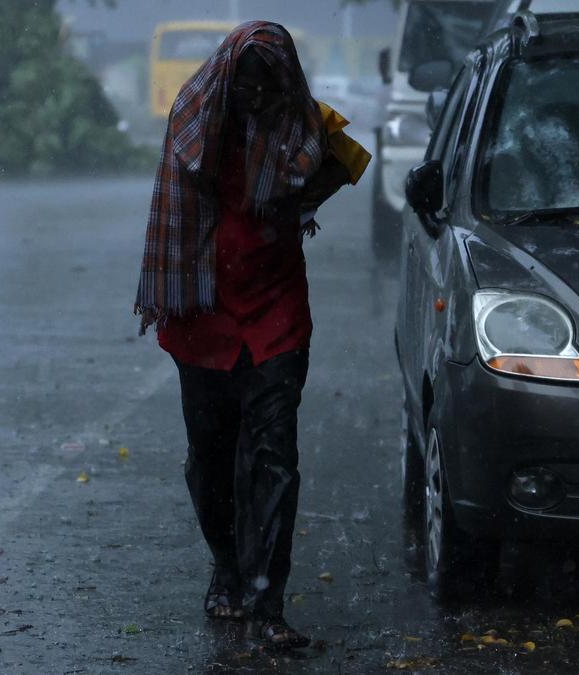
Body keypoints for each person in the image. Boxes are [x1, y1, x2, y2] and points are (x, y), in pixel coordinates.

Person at [134, 21, 369, 650]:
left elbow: (335, 171)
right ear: (228, 82)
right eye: (247, 87)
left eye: (269, 88)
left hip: (276, 314)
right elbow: (175, 204)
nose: (257, 100)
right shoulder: (194, 120)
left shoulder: (305, 129)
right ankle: (228, 566)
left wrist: (308, 188)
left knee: (275, 461)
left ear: (285, 84)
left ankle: (267, 604)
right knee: (209, 461)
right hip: (203, 316)